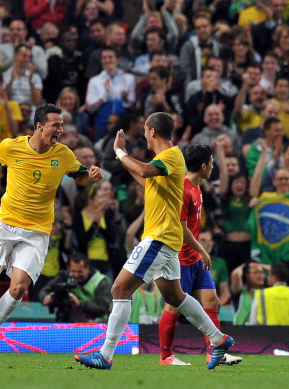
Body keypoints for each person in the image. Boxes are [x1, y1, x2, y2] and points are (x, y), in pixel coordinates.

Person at [0, 103, 103, 360]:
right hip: (6, 223)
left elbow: (81, 177)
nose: (60, 129)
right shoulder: (10, 146)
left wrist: (92, 177)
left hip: (37, 231)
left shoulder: (64, 154)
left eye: (62, 125)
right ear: (39, 126)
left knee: (19, 288)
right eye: (55, 124)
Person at [74, 112, 234, 370]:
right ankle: (218, 338)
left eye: (146, 131)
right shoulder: (168, 161)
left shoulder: (170, 155)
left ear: (152, 132)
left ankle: (105, 354)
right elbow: (147, 178)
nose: (145, 136)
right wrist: (125, 163)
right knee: (176, 296)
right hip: (168, 241)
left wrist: (119, 152)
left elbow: (146, 170)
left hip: (158, 238)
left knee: (119, 290)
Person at [158, 144, 241, 366]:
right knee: (173, 306)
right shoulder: (183, 190)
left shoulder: (197, 187)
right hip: (180, 259)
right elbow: (181, 229)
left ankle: (215, 352)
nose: (213, 167)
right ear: (203, 166)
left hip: (194, 258)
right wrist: (202, 248)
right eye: (212, 163)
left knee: (211, 300)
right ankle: (166, 356)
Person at [39, 253, 111, 322]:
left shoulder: (101, 282)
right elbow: (45, 290)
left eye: (80, 272)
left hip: (97, 325)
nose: (76, 275)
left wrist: (80, 303)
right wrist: (45, 297)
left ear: (87, 268)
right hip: (72, 322)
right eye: (73, 271)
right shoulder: (65, 276)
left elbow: (102, 310)